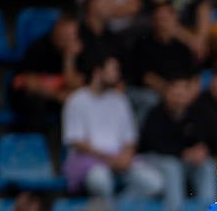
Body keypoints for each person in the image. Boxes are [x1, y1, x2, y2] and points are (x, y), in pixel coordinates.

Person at [61, 52, 164, 200]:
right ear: (98, 72)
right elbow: (77, 143)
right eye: (113, 70)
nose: (118, 75)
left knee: (154, 183)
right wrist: (110, 159)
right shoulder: (77, 100)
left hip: (120, 160)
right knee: (101, 181)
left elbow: (130, 139)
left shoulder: (120, 100)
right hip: (89, 161)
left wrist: (126, 157)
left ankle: (117, 209)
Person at [138, 74, 217, 211]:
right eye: (174, 91)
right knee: (172, 168)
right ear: (166, 92)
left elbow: (209, 139)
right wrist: (182, 153)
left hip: (186, 161)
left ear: (189, 93)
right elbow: (153, 144)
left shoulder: (197, 113)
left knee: (207, 166)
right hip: (157, 160)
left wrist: (202, 150)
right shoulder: (155, 114)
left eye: (182, 91)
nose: (178, 95)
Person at [10, 13, 85, 132]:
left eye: (72, 36)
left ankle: (69, 147)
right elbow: (29, 84)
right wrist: (56, 96)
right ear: (56, 31)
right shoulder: (39, 47)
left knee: (76, 104)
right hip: (30, 97)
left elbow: (76, 85)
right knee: (37, 104)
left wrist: (69, 59)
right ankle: (35, 146)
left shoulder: (76, 52)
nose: (68, 40)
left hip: (56, 99)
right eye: (65, 35)